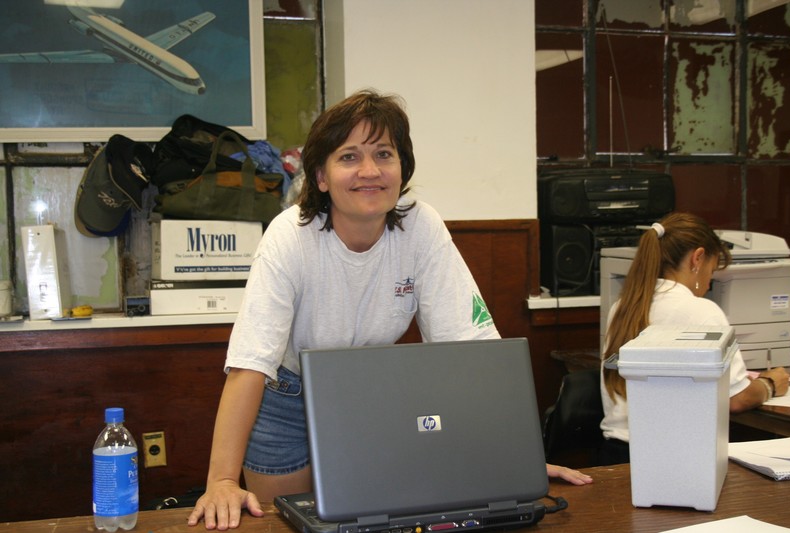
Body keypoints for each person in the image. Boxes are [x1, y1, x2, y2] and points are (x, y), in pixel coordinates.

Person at [188, 90, 591, 530]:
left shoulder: (421, 225)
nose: (370, 171)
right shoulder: (289, 238)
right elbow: (249, 364)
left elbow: (473, 349)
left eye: (383, 154)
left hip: (373, 395)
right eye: (349, 157)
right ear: (321, 176)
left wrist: (515, 459)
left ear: (402, 168)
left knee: (372, 521)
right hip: (286, 394)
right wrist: (221, 480)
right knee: (284, 523)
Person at [598, 212, 790, 465]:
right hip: (673, 460)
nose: (709, 282)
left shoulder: (623, 307)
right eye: (712, 270)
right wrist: (771, 383)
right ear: (697, 258)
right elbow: (737, 399)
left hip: (617, 453)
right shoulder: (701, 311)